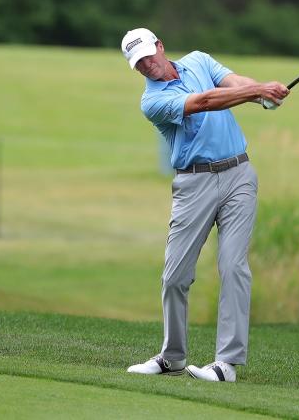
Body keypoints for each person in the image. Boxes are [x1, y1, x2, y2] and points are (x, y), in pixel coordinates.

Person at [120, 27, 289, 382]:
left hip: (239, 174)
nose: (147, 66)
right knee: (175, 276)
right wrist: (257, 91)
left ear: (161, 47)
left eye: (149, 57)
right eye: (139, 64)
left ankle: (226, 364)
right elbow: (204, 102)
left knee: (233, 266)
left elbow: (232, 81)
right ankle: (173, 357)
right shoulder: (151, 102)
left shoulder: (199, 60)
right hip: (193, 183)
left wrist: (261, 94)